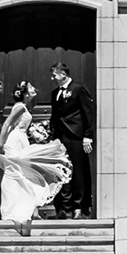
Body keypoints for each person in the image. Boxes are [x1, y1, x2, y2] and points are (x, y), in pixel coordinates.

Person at [0, 84, 70, 225]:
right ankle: (13, 210)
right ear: (25, 93)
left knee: (26, 174)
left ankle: (31, 210)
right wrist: (1, 144)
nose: (34, 89)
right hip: (15, 141)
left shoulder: (24, 106)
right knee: (16, 174)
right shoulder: (20, 107)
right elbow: (7, 124)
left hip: (21, 139)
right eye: (30, 87)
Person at [47, 61, 95, 218]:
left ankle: (79, 207)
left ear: (63, 74)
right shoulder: (55, 93)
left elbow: (88, 112)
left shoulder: (78, 89)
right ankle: (63, 209)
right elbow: (55, 115)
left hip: (76, 136)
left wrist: (87, 136)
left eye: (54, 75)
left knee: (78, 171)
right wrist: (52, 135)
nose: (52, 78)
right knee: (62, 170)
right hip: (60, 138)